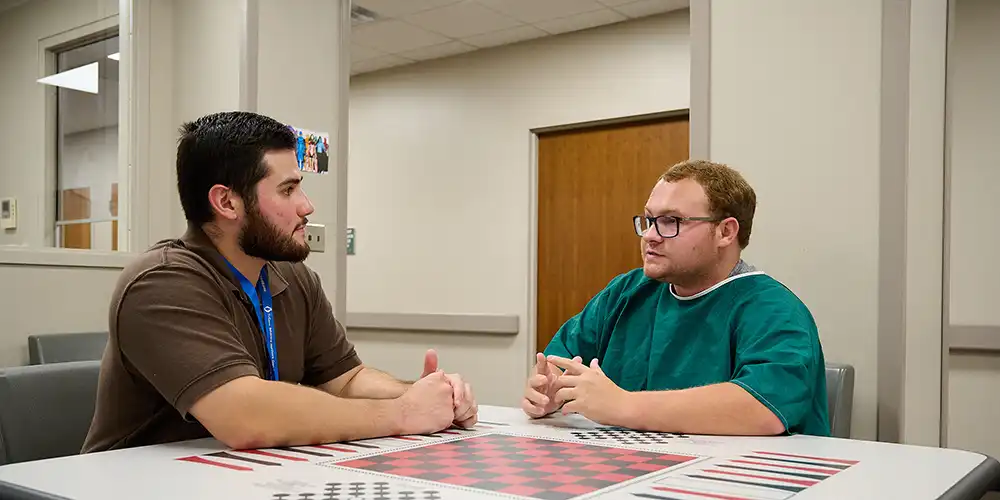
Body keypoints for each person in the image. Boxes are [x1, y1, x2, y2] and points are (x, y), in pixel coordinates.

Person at [83, 111, 477, 453]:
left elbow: (344, 379)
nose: (307, 206)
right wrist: (403, 414)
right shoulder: (162, 282)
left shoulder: (290, 276)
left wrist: (429, 393)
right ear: (227, 202)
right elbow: (243, 416)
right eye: (288, 189)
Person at [522, 160, 829, 437]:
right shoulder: (627, 292)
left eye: (671, 222)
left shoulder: (772, 308)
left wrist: (624, 405)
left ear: (725, 232)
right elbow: (561, 362)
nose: (650, 235)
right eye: (648, 219)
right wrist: (550, 391)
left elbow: (764, 408)